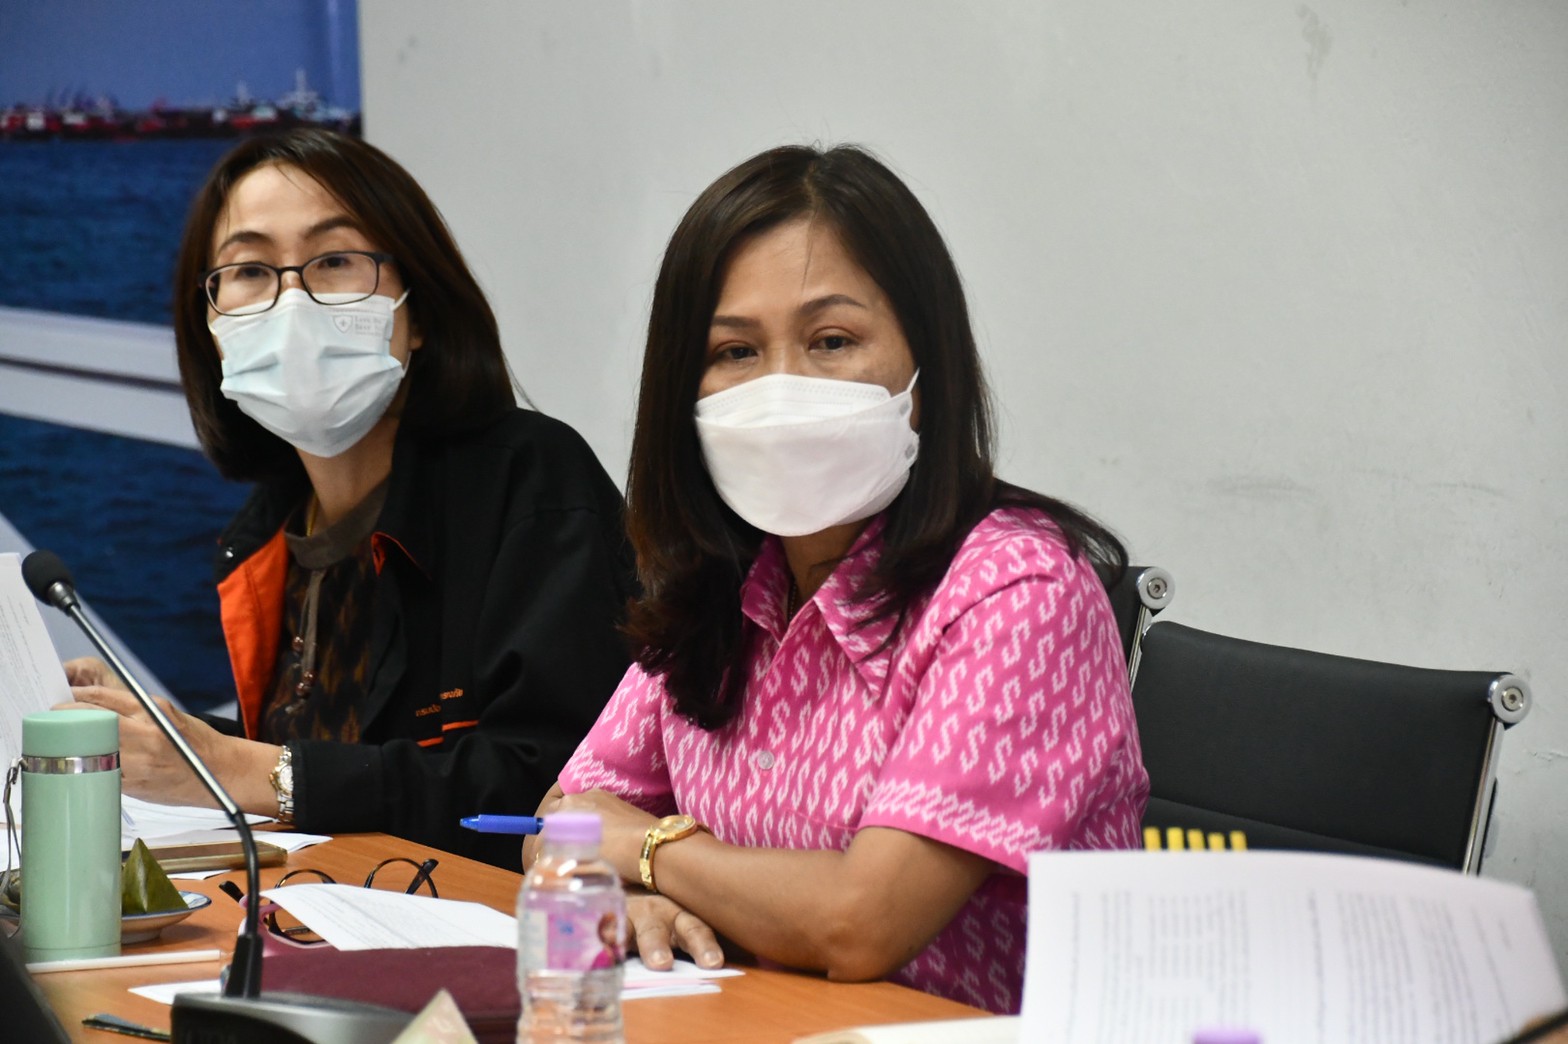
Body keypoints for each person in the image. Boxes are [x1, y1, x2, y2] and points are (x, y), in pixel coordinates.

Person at [527, 144, 1149, 1013]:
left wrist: (647, 852)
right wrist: (631, 900)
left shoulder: (1020, 591)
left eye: (831, 341)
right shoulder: (729, 581)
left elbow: (861, 923)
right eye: (735, 351)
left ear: (926, 368)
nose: (782, 390)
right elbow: (559, 820)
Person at [65, 129, 636, 868]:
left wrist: (233, 767)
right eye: (250, 270)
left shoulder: (530, 480)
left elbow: (556, 793)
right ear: (210, 324)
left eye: (334, 260)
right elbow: (330, 763)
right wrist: (168, 739)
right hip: (325, 914)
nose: (292, 301)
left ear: (417, 309)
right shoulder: (267, 532)